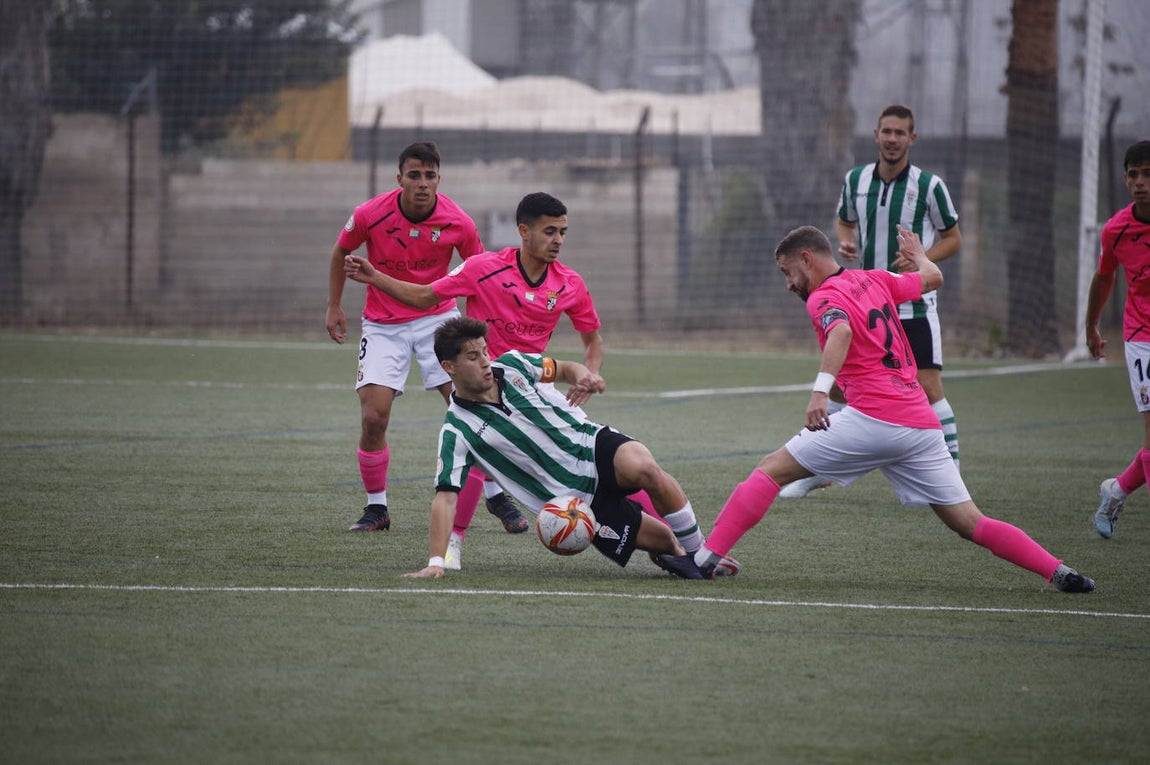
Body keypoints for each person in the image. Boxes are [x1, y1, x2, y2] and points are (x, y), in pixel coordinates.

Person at [692, 225, 1094, 593]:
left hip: (874, 420)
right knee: (971, 522)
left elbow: (841, 331)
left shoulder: (822, 298)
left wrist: (819, 393)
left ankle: (704, 559)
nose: (787, 284)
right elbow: (933, 278)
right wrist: (920, 256)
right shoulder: (876, 279)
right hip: (921, 425)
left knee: (770, 470)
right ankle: (1060, 572)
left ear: (806, 259)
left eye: (787, 272)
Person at [346, 192, 679, 570]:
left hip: (532, 384)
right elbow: (424, 296)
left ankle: (671, 540)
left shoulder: (569, 282)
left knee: (607, 463)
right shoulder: (483, 268)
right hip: (487, 382)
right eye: (550, 231)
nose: (558, 240)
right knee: (476, 449)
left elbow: (592, 340)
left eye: (562, 232)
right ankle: (452, 548)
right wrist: (374, 277)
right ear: (524, 231)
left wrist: (591, 372)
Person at [402, 316, 740, 580]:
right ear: (449, 367)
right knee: (666, 541)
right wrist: (436, 561)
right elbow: (446, 497)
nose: (486, 362)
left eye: (485, 352)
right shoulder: (457, 430)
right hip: (577, 503)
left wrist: (582, 376)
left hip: (589, 445)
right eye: (473, 357)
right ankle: (675, 553)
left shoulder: (515, 364)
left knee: (646, 469)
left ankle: (702, 553)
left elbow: (562, 368)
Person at [326, 141, 525, 535]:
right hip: (383, 324)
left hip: (439, 319)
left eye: (429, 176)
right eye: (414, 175)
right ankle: (377, 508)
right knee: (373, 416)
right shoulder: (369, 214)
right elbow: (340, 251)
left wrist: (479, 332)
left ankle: (495, 493)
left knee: (474, 406)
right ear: (399, 178)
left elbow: (479, 274)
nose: (422, 183)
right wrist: (334, 305)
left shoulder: (459, 222)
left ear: (438, 179)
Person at [780, 104, 963, 498]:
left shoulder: (929, 185)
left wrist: (922, 258)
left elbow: (954, 238)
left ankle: (951, 475)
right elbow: (845, 221)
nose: (892, 139)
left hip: (912, 302)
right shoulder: (856, 179)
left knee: (929, 386)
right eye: (887, 132)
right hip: (864, 300)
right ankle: (819, 468)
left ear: (912, 138)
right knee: (839, 387)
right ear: (876, 135)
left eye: (900, 133)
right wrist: (847, 241)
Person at [1085, 140, 1150, 539]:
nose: (1139, 182)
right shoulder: (1116, 230)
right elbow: (1104, 276)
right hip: (1143, 338)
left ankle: (1118, 490)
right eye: (1133, 174)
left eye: (1148, 174)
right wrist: (1091, 326)